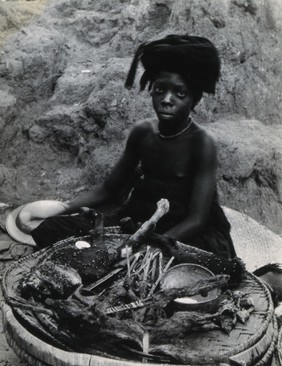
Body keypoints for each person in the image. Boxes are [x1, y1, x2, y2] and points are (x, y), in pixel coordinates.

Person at [32, 34, 236, 258]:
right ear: (151, 91)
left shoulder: (202, 143)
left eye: (179, 93)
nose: (167, 99)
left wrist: (150, 244)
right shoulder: (143, 132)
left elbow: (197, 219)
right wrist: (64, 207)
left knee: (171, 262)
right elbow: (109, 189)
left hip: (184, 230)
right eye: (160, 90)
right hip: (140, 217)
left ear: (194, 99)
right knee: (49, 229)